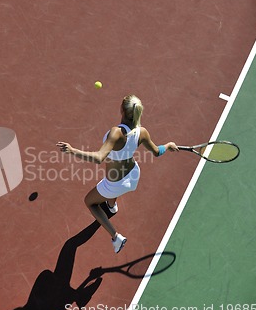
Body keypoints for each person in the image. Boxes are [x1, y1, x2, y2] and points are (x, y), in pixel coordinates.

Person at [56, 95, 178, 253]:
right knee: (112, 191)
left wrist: (73, 151)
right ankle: (111, 206)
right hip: (133, 175)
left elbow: (100, 158)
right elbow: (156, 152)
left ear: (122, 110)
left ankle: (116, 237)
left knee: (90, 202)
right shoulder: (142, 132)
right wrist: (168, 145)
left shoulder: (116, 133)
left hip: (115, 184)